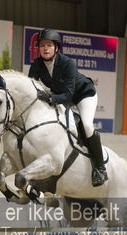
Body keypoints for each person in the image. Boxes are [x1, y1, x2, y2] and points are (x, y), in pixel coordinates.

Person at [28, 28, 108, 187]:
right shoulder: (37, 65)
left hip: (84, 95)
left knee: (86, 125)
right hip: (62, 97)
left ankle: (100, 168)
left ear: (56, 48)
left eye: (49, 45)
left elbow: (68, 95)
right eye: (42, 45)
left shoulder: (67, 63)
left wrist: (50, 98)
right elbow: (31, 87)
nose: (45, 48)